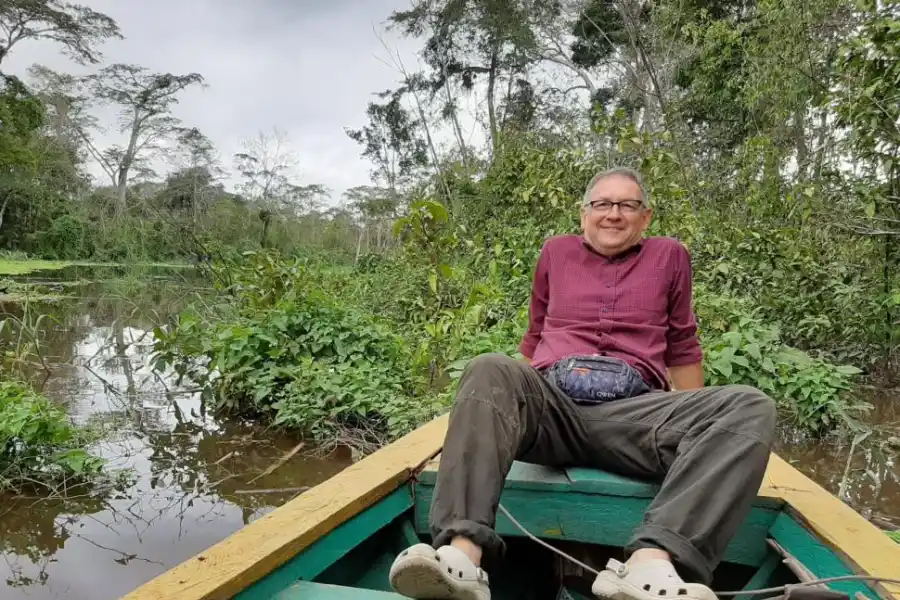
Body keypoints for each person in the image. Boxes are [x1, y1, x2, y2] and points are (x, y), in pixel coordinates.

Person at [388, 167, 777, 600]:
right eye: (602, 204)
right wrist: (500, 405)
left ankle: (651, 563)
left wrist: (695, 429)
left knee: (750, 406)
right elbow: (534, 338)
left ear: (645, 217)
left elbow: (682, 345)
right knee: (488, 368)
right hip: (553, 408)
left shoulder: (670, 256)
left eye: (627, 205)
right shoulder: (555, 253)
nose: (614, 214)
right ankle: (462, 556)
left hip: (633, 416)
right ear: (584, 213)